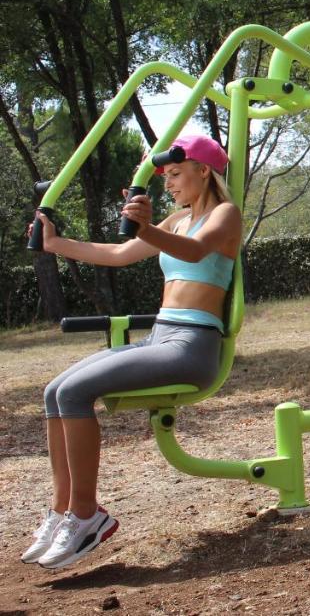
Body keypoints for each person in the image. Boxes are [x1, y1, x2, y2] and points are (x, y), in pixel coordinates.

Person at [21, 134, 241, 570]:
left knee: (74, 394)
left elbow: (197, 252)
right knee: (54, 391)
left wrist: (147, 228)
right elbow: (120, 253)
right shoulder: (177, 220)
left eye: (176, 174)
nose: (170, 184)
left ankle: (88, 515)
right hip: (161, 337)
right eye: (165, 178)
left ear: (204, 170)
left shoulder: (225, 214)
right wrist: (56, 243)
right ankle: (63, 510)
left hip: (192, 347)